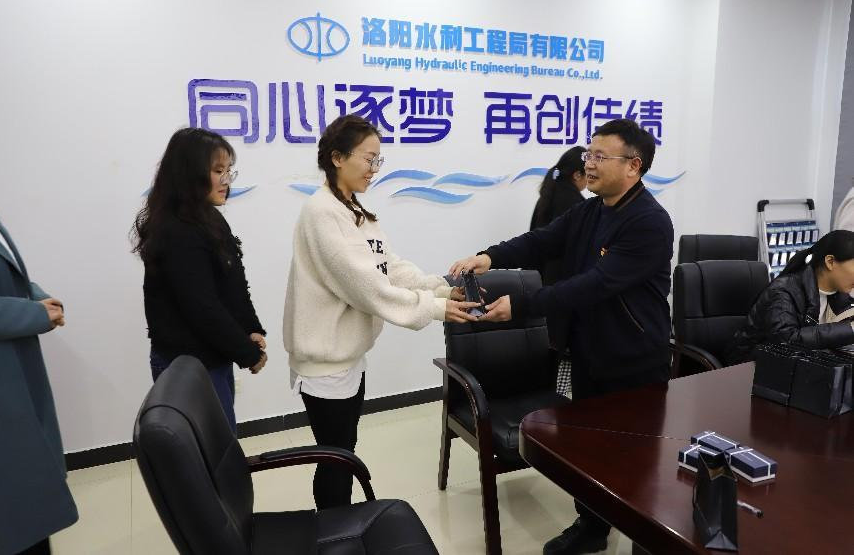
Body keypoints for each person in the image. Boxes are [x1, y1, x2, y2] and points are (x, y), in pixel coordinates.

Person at [449, 119, 674, 555]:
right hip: (588, 351)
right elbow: (541, 241)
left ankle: (645, 538)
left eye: (600, 156)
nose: (589, 164)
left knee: (635, 458)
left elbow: (595, 284)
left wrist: (522, 305)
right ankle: (592, 527)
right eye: (589, 154)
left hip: (635, 360)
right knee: (589, 450)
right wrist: (489, 257)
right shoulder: (591, 210)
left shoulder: (649, 222)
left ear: (634, 166)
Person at [283, 114, 479, 510]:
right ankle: (334, 530)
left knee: (343, 451)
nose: (374, 169)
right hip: (326, 366)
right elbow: (368, 289)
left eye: (378, 160)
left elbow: (390, 267)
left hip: (348, 357)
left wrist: (441, 288)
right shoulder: (323, 212)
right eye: (368, 159)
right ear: (337, 157)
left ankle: (339, 525)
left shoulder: (353, 209)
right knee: (336, 459)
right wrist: (437, 308)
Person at [132, 128, 267, 433]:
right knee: (209, 451)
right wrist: (246, 353)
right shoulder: (177, 231)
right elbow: (202, 307)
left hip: (213, 359)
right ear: (188, 173)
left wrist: (251, 329)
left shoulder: (208, 218)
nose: (226, 180)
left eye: (228, 171)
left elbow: (234, 284)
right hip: (188, 364)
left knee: (219, 443)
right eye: (218, 171)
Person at [0, 213, 78, 555]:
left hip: (14, 377)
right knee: (16, 517)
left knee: (25, 514)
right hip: (5, 390)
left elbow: (8, 283)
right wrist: (34, 313)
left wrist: (38, 297)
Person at [727, 230, 854, 364]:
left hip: (803, 366)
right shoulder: (783, 292)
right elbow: (787, 342)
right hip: (752, 367)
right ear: (830, 262)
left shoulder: (839, 295)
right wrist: (850, 329)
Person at [530, 146, 588, 285]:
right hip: (561, 280)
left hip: (539, 277)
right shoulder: (575, 203)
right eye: (589, 172)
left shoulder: (548, 195)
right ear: (577, 175)